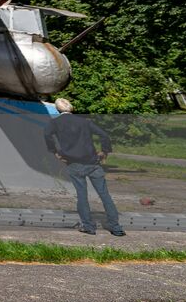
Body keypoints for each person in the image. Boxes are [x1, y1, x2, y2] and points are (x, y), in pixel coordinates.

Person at [43, 98, 125, 236]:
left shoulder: (55, 123)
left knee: (82, 195)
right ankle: (116, 227)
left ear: (57, 110)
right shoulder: (84, 122)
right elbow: (104, 135)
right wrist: (104, 152)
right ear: (71, 108)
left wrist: (55, 152)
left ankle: (88, 226)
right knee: (105, 195)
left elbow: (46, 135)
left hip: (73, 164)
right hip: (93, 163)